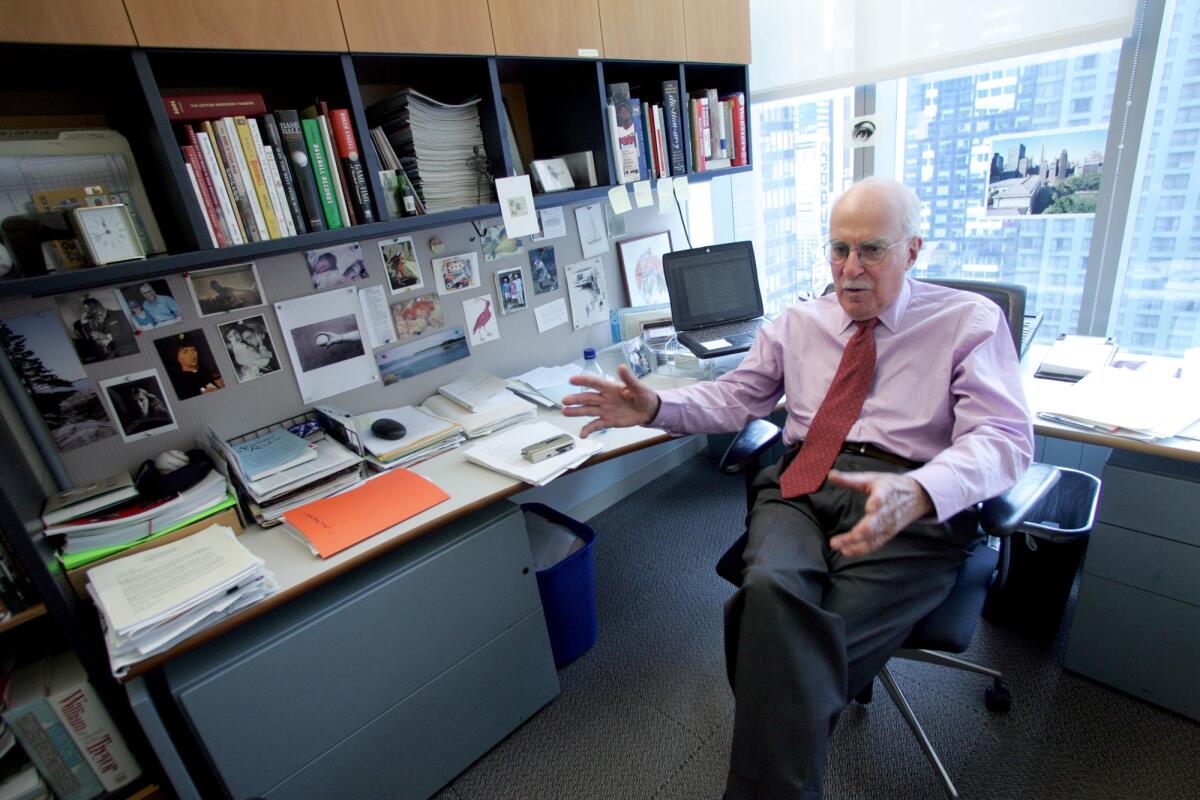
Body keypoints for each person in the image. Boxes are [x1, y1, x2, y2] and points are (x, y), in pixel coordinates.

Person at [561, 177, 1033, 799]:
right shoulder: (798, 323)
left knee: (772, 636)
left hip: (907, 500)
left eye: (871, 250)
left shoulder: (968, 321)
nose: (850, 270)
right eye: (838, 250)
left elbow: (1004, 437)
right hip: (802, 481)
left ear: (913, 251)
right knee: (771, 590)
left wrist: (924, 490)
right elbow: (737, 396)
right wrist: (657, 409)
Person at [73, 297, 136, 361]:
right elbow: (91, 339)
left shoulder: (119, 314)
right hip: (108, 355)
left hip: (126, 349)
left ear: (99, 304)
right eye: (88, 310)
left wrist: (106, 336)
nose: (92, 311)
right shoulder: (91, 322)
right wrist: (83, 322)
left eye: (92, 307)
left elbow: (129, 333)